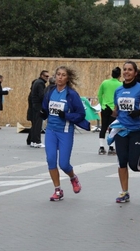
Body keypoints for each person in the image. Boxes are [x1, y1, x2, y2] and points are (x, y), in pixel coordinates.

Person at [40, 66, 90, 201]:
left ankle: (73, 178)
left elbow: (80, 114)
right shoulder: (50, 91)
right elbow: (45, 109)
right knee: (51, 160)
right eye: (58, 75)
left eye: (63, 75)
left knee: (64, 164)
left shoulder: (71, 95)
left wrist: (67, 115)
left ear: (67, 78)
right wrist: (42, 113)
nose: (60, 77)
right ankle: (57, 190)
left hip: (65, 132)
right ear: (55, 77)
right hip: (51, 130)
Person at [108, 61, 140, 203]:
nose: (126, 72)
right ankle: (124, 192)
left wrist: (139, 112)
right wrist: (110, 120)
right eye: (124, 69)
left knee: (133, 164)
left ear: (135, 73)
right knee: (122, 162)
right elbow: (117, 110)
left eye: (129, 70)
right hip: (121, 130)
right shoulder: (118, 90)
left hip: (136, 131)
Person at [97, 67, 122, 155]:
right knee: (112, 128)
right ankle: (111, 148)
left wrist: (102, 104)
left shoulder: (104, 82)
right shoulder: (120, 85)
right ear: (120, 75)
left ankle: (101, 147)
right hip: (114, 109)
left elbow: (99, 95)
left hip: (105, 107)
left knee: (103, 127)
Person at [30, 70, 49, 148]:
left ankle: (33, 141)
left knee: (35, 124)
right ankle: (37, 141)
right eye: (46, 76)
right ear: (41, 75)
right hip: (38, 105)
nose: (47, 78)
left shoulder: (36, 82)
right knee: (38, 124)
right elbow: (41, 95)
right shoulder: (41, 83)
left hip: (34, 105)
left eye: (48, 76)